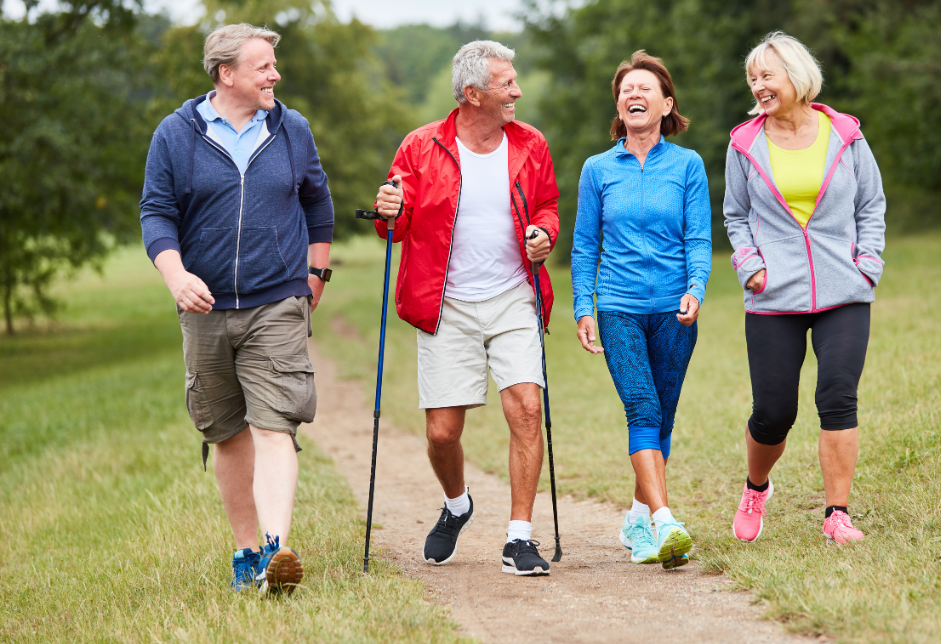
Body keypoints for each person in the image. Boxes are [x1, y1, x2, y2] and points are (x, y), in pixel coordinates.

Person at [139, 24, 334, 593]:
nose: (276, 75)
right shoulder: (176, 135)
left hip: (276, 300)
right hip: (204, 309)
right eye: (264, 66)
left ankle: (277, 550)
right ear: (227, 74)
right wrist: (176, 276)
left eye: (274, 65)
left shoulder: (291, 128)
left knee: (276, 426)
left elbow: (317, 202)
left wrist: (314, 276)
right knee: (226, 433)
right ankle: (246, 553)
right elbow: (156, 213)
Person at [372, 40, 559, 576]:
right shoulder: (419, 147)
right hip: (444, 303)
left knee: (526, 405)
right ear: (472, 94)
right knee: (442, 434)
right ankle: (457, 504)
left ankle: (519, 537)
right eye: (507, 84)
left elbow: (547, 205)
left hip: (512, 297)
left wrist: (543, 234)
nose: (517, 91)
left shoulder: (530, 144)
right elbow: (396, 225)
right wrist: (390, 208)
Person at [723, 32, 886, 545]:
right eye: (753, 79)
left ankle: (836, 513)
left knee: (838, 397)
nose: (758, 86)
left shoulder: (846, 134)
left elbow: (871, 204)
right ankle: (756, 487)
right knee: (774, 412)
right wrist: (751, 266)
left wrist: (867, 264)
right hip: (773, 294)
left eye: (767, 76)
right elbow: (735, 214)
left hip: (844, 287)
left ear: (796, 75)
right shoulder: (744, 144)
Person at [571, 51, 711, 569]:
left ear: (666, 103)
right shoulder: (597, 169)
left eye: (645, 88)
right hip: (619, 307)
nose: (634, 94)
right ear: (618, 104)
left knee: (663, 417)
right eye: (626, 88)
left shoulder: (688, 165)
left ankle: (637, 516)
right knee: (642, 408)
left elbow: (699, 236)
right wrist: (583, 306)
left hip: (676, 310)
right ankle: (665, 521)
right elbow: (585, 246)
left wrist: (697, 286)